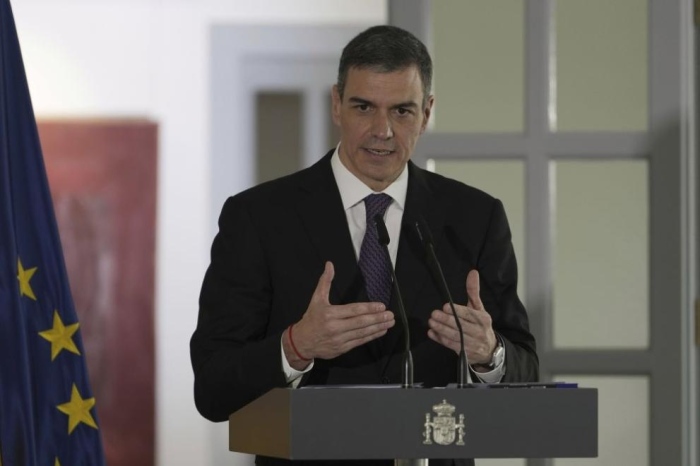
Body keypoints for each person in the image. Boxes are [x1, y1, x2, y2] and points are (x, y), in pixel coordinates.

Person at [191, 25, 538, 466]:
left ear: (427, 113)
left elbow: (526, 371)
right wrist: (296, 345)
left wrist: (490, 354)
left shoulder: (475, 218)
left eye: (402, 111)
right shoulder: (258, 217)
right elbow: (213, 388)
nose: (382, 131)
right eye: (363, 107)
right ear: (336, 104)